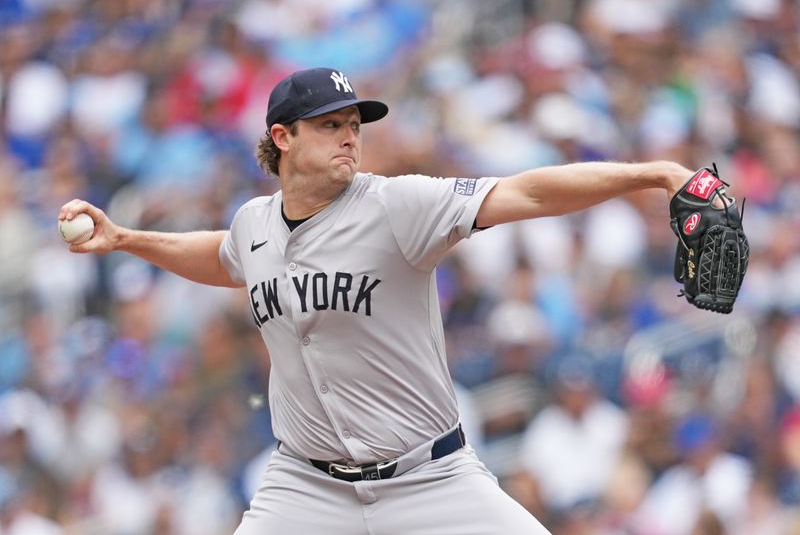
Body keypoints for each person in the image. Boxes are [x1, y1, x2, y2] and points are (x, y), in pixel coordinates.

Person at [59, 67, 695, 534]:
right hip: (306, 486)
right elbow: (225, 256)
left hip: (431, 478)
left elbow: (526, 192)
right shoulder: (255, 224)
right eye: (330, 124)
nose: (349, 138)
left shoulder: (396, 205)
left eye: (354, 125)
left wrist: (653, 175)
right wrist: (127, 238)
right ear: (282, 137)